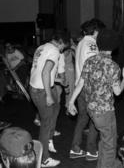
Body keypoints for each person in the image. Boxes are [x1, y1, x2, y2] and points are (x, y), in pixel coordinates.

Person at [68, 29, 124, 168]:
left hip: (91, 109)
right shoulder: (113, 66)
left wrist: (71, 102)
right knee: (110, 145)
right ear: (113, 46)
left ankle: (103, 164)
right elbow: (118, 91)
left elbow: (80, 84)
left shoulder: (90, 61)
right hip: (105, 112)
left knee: (104, 140)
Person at [29, 31, 70, 167]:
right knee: (46, 123)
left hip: (36, 86)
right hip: (41, 90)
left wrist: (59, 80)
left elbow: (42, 70)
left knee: (56, 107)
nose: (63, 49)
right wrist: (48, 95)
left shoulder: (41, 47)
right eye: (64, 46)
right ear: (60, 42)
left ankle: (49, 140)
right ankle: (44, 159)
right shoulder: (54, 51)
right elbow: (45, 72)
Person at [69, 19, 105, 161]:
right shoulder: (91, 44)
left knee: (83, 118)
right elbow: (93, 67)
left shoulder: (81, 43)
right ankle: (91, 150)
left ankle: (75, 148)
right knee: (93, 120)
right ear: (95, 31)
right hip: (90, 87)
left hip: (81, 87)